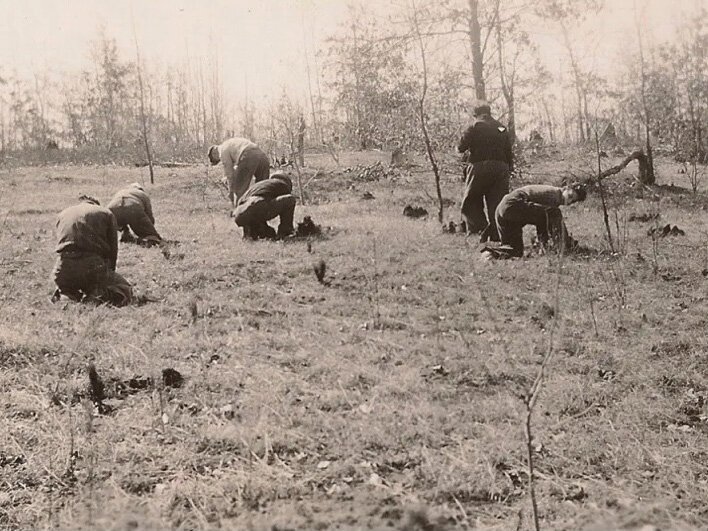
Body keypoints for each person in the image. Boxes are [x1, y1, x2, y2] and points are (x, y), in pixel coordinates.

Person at [51, 195, 133, 306]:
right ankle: (94, 298)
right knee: (123, 288)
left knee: (67, 289)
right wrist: (109, 276)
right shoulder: (105, 213)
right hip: (91, 266)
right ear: (95, 203)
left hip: (63, 266)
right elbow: (113, 250)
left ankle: (66, 298)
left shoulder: (63, 214)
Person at [458, 102, 514, 240]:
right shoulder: (501, 128)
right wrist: (509, 168)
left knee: (471, 201)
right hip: (501, 168)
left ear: (476, 114)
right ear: (489, 113)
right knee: (498, 203)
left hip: (479, 166)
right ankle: (498, 234)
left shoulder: (474, 126)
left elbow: (460, 147)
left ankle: (480, 230)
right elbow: (508, 150)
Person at [494, 183, 587, 258]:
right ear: (566, 188)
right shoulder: (554, 196)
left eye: (572, 201)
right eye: (570, 196)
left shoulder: (553, 196)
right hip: (513, 204)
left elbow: (541, 220)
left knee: (514, 251)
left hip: (502, 208)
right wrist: (562, 241)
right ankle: (564, 245)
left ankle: (488, 253)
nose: (568, 201)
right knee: (554, 213)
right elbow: (546, 219)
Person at [208, 137, 270, 206]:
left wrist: (231, 191)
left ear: (214, 153)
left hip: (248, 155)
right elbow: (237, 167)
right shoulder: (231, 143)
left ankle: (238, 213)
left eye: (217, 159)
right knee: (262, 188)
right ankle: (262, 210)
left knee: (239, 190)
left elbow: (230, 174)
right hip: (261, 154)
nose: (219, 160)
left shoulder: (222, 151)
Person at [232, 173, 296, 240]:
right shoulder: (283, 185)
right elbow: (286, 201)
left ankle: (250, 232)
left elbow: (244, 203)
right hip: (256, 207)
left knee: (269, 233)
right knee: (290, 199)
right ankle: (285, 233)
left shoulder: (260, 185)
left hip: (239, 213)